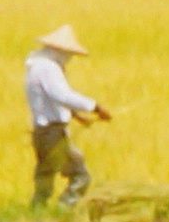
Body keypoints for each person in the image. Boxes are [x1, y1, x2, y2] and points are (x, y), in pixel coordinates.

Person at [25, 25, 110, 208]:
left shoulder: (37, 65)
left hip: (42, 132)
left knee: (45, 174)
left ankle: (37, 212)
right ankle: (64, 209)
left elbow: (50, 99)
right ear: (60, 51)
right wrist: (95, 107)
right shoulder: (48, 68)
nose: (69, 58)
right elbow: (61, 95)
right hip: (53, 132)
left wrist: (77, 116)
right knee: (80, 175)